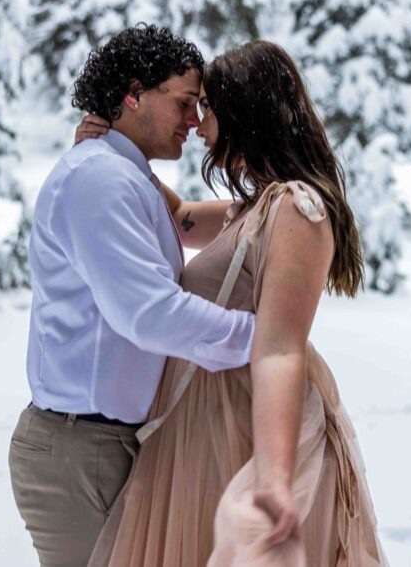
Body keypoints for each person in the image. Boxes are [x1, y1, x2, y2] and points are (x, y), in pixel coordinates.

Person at [77, 40, 387, 566]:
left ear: (245, 113)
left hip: (246, 428)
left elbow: (281, 350)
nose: (198, 123)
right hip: (210, 423)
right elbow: (179, 218)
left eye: (209, 108)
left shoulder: (296, 209)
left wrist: (272, 477)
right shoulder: (258, 207)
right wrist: (114, 145)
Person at [8, 25, 258, 567]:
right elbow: (148, 314)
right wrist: (264, 340)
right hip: (82, 451)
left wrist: (282, 209)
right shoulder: (100, 178)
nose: (195, 122)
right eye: (186, 103)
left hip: (107, 445)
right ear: (132, 93)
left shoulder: (123, 175)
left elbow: (184, 221)